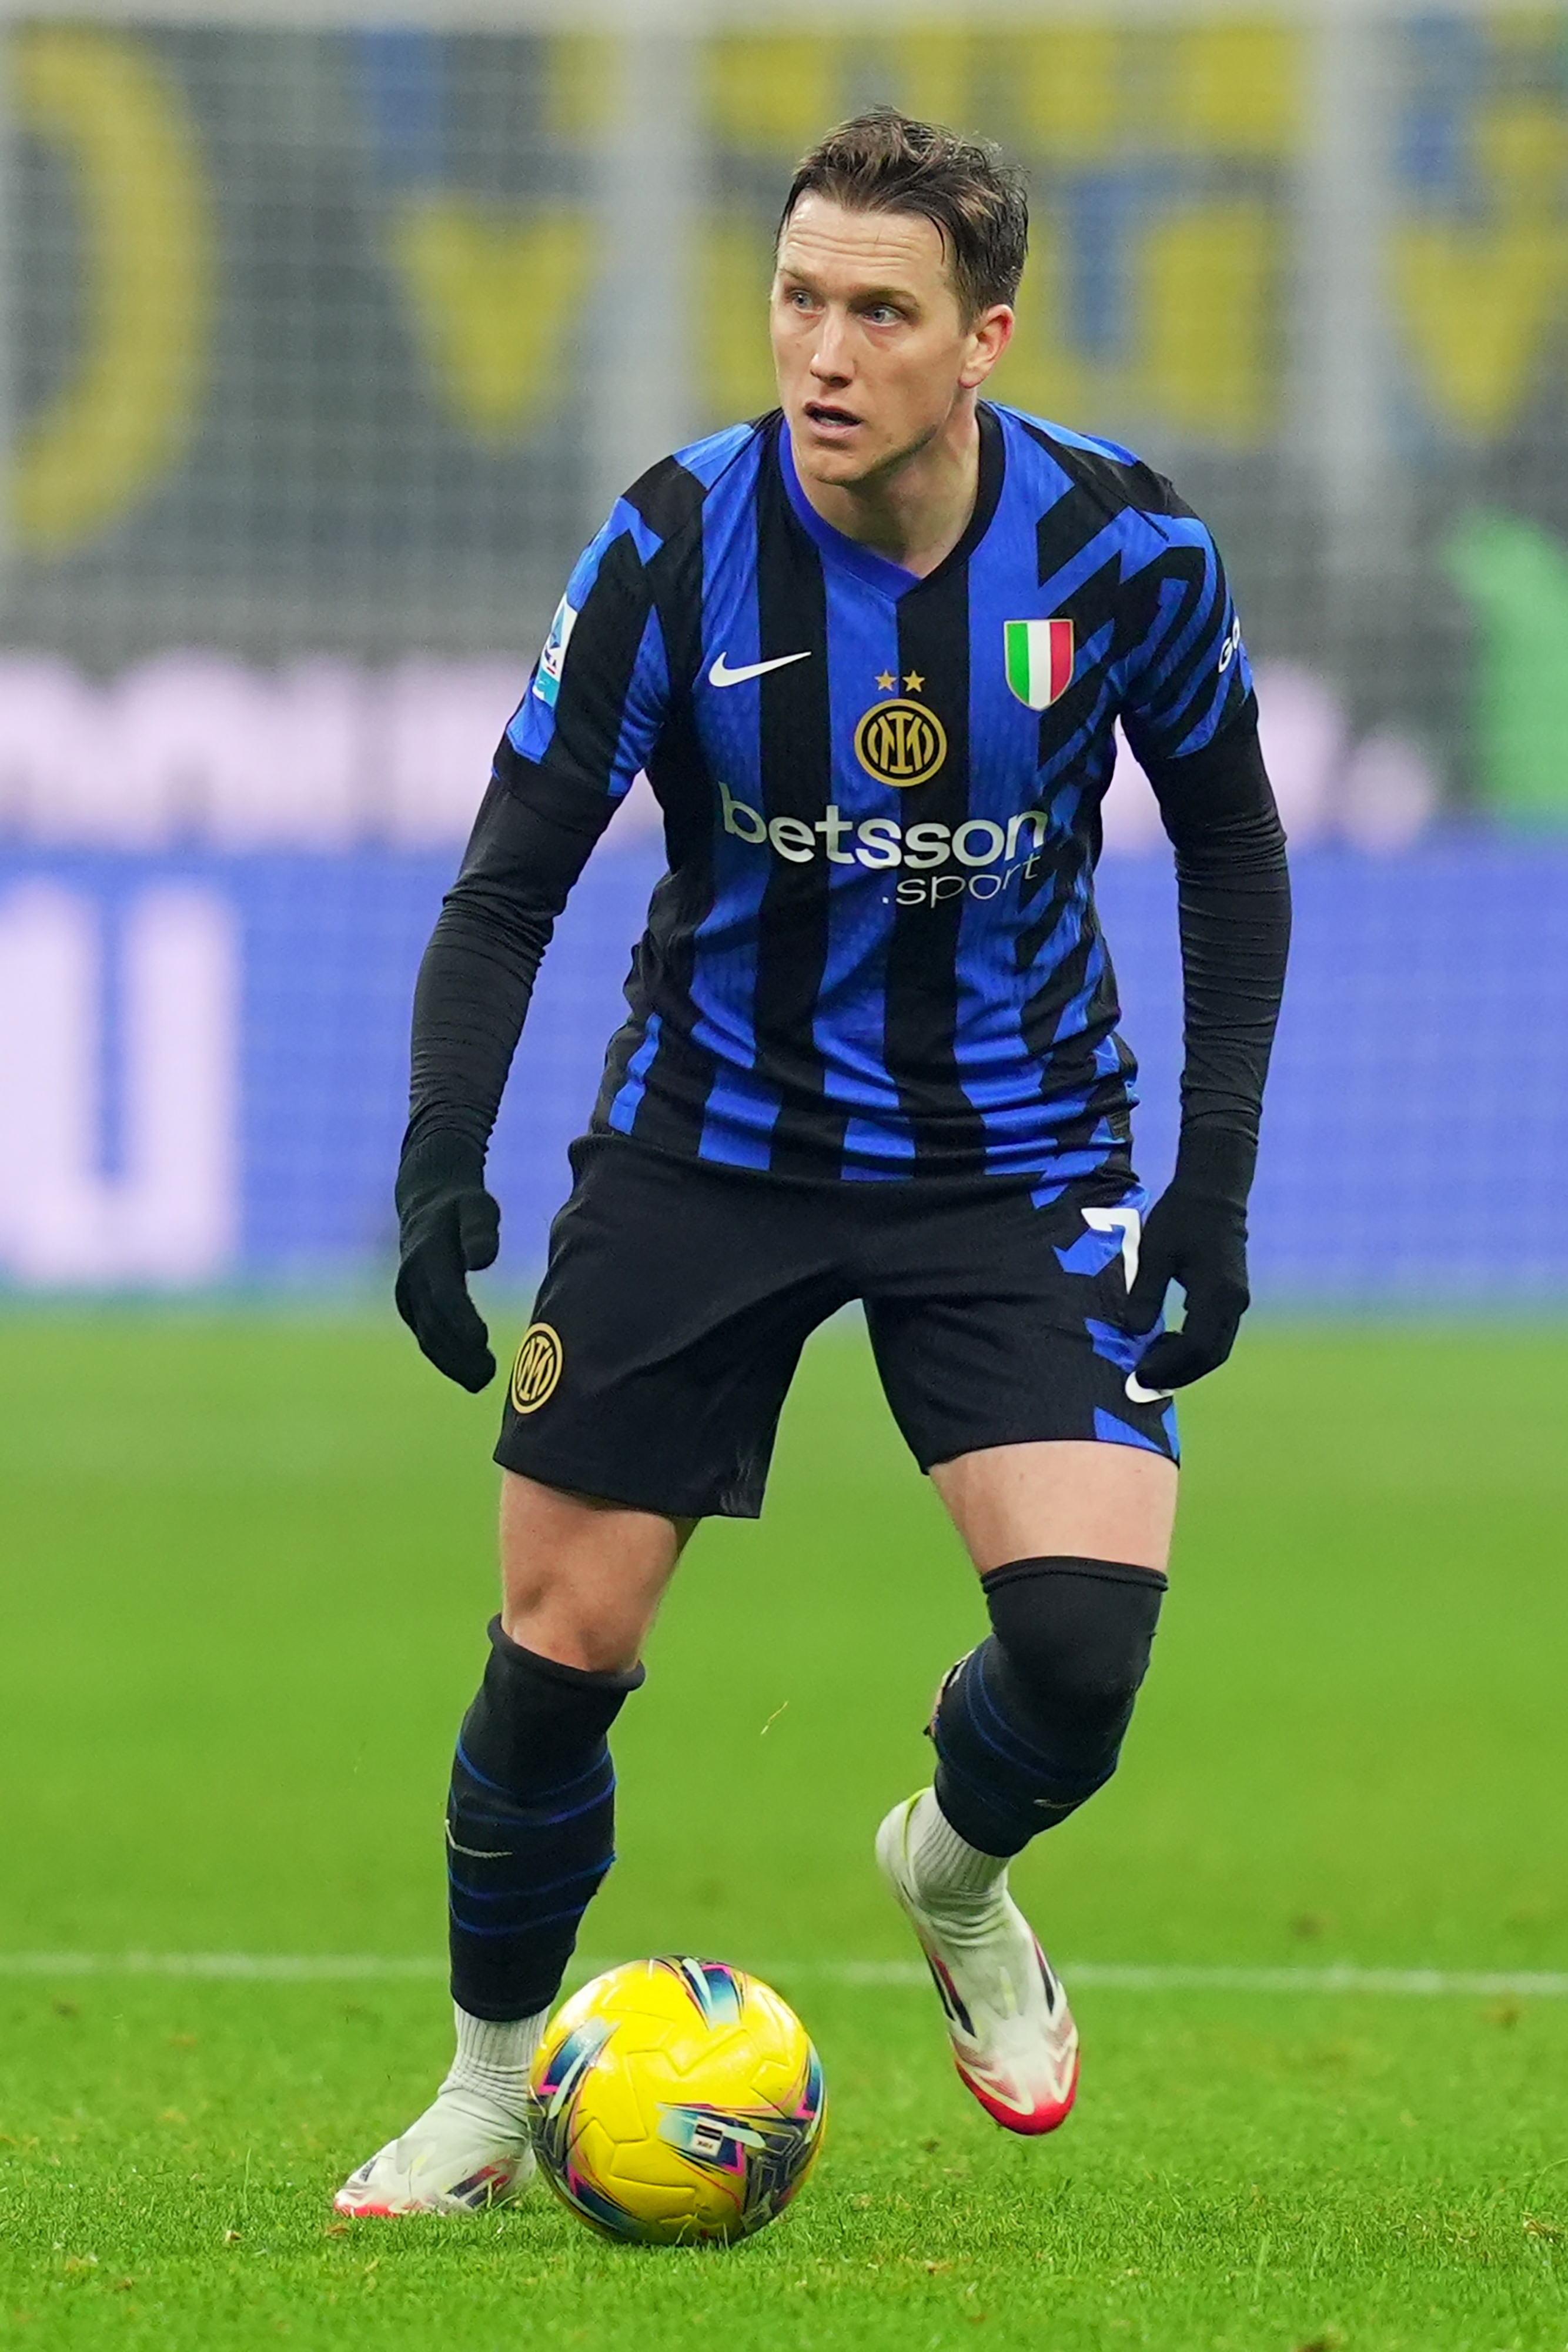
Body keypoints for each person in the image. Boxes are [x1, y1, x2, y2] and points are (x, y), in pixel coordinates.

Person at [336, 106, 1290, 2216]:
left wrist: (1210, 1176)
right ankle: (495, 2086)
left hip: (1017, 1148)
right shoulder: (673, 541)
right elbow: (506, 885)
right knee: (558, 1643)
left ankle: (950, 1874)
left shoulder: (1122, 551)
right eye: (798, 299)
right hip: (711, 1145)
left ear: (985, 343)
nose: (825, 351)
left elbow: (1229, 843)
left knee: (1080, 1651)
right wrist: (436, 1162)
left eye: (882, 311)